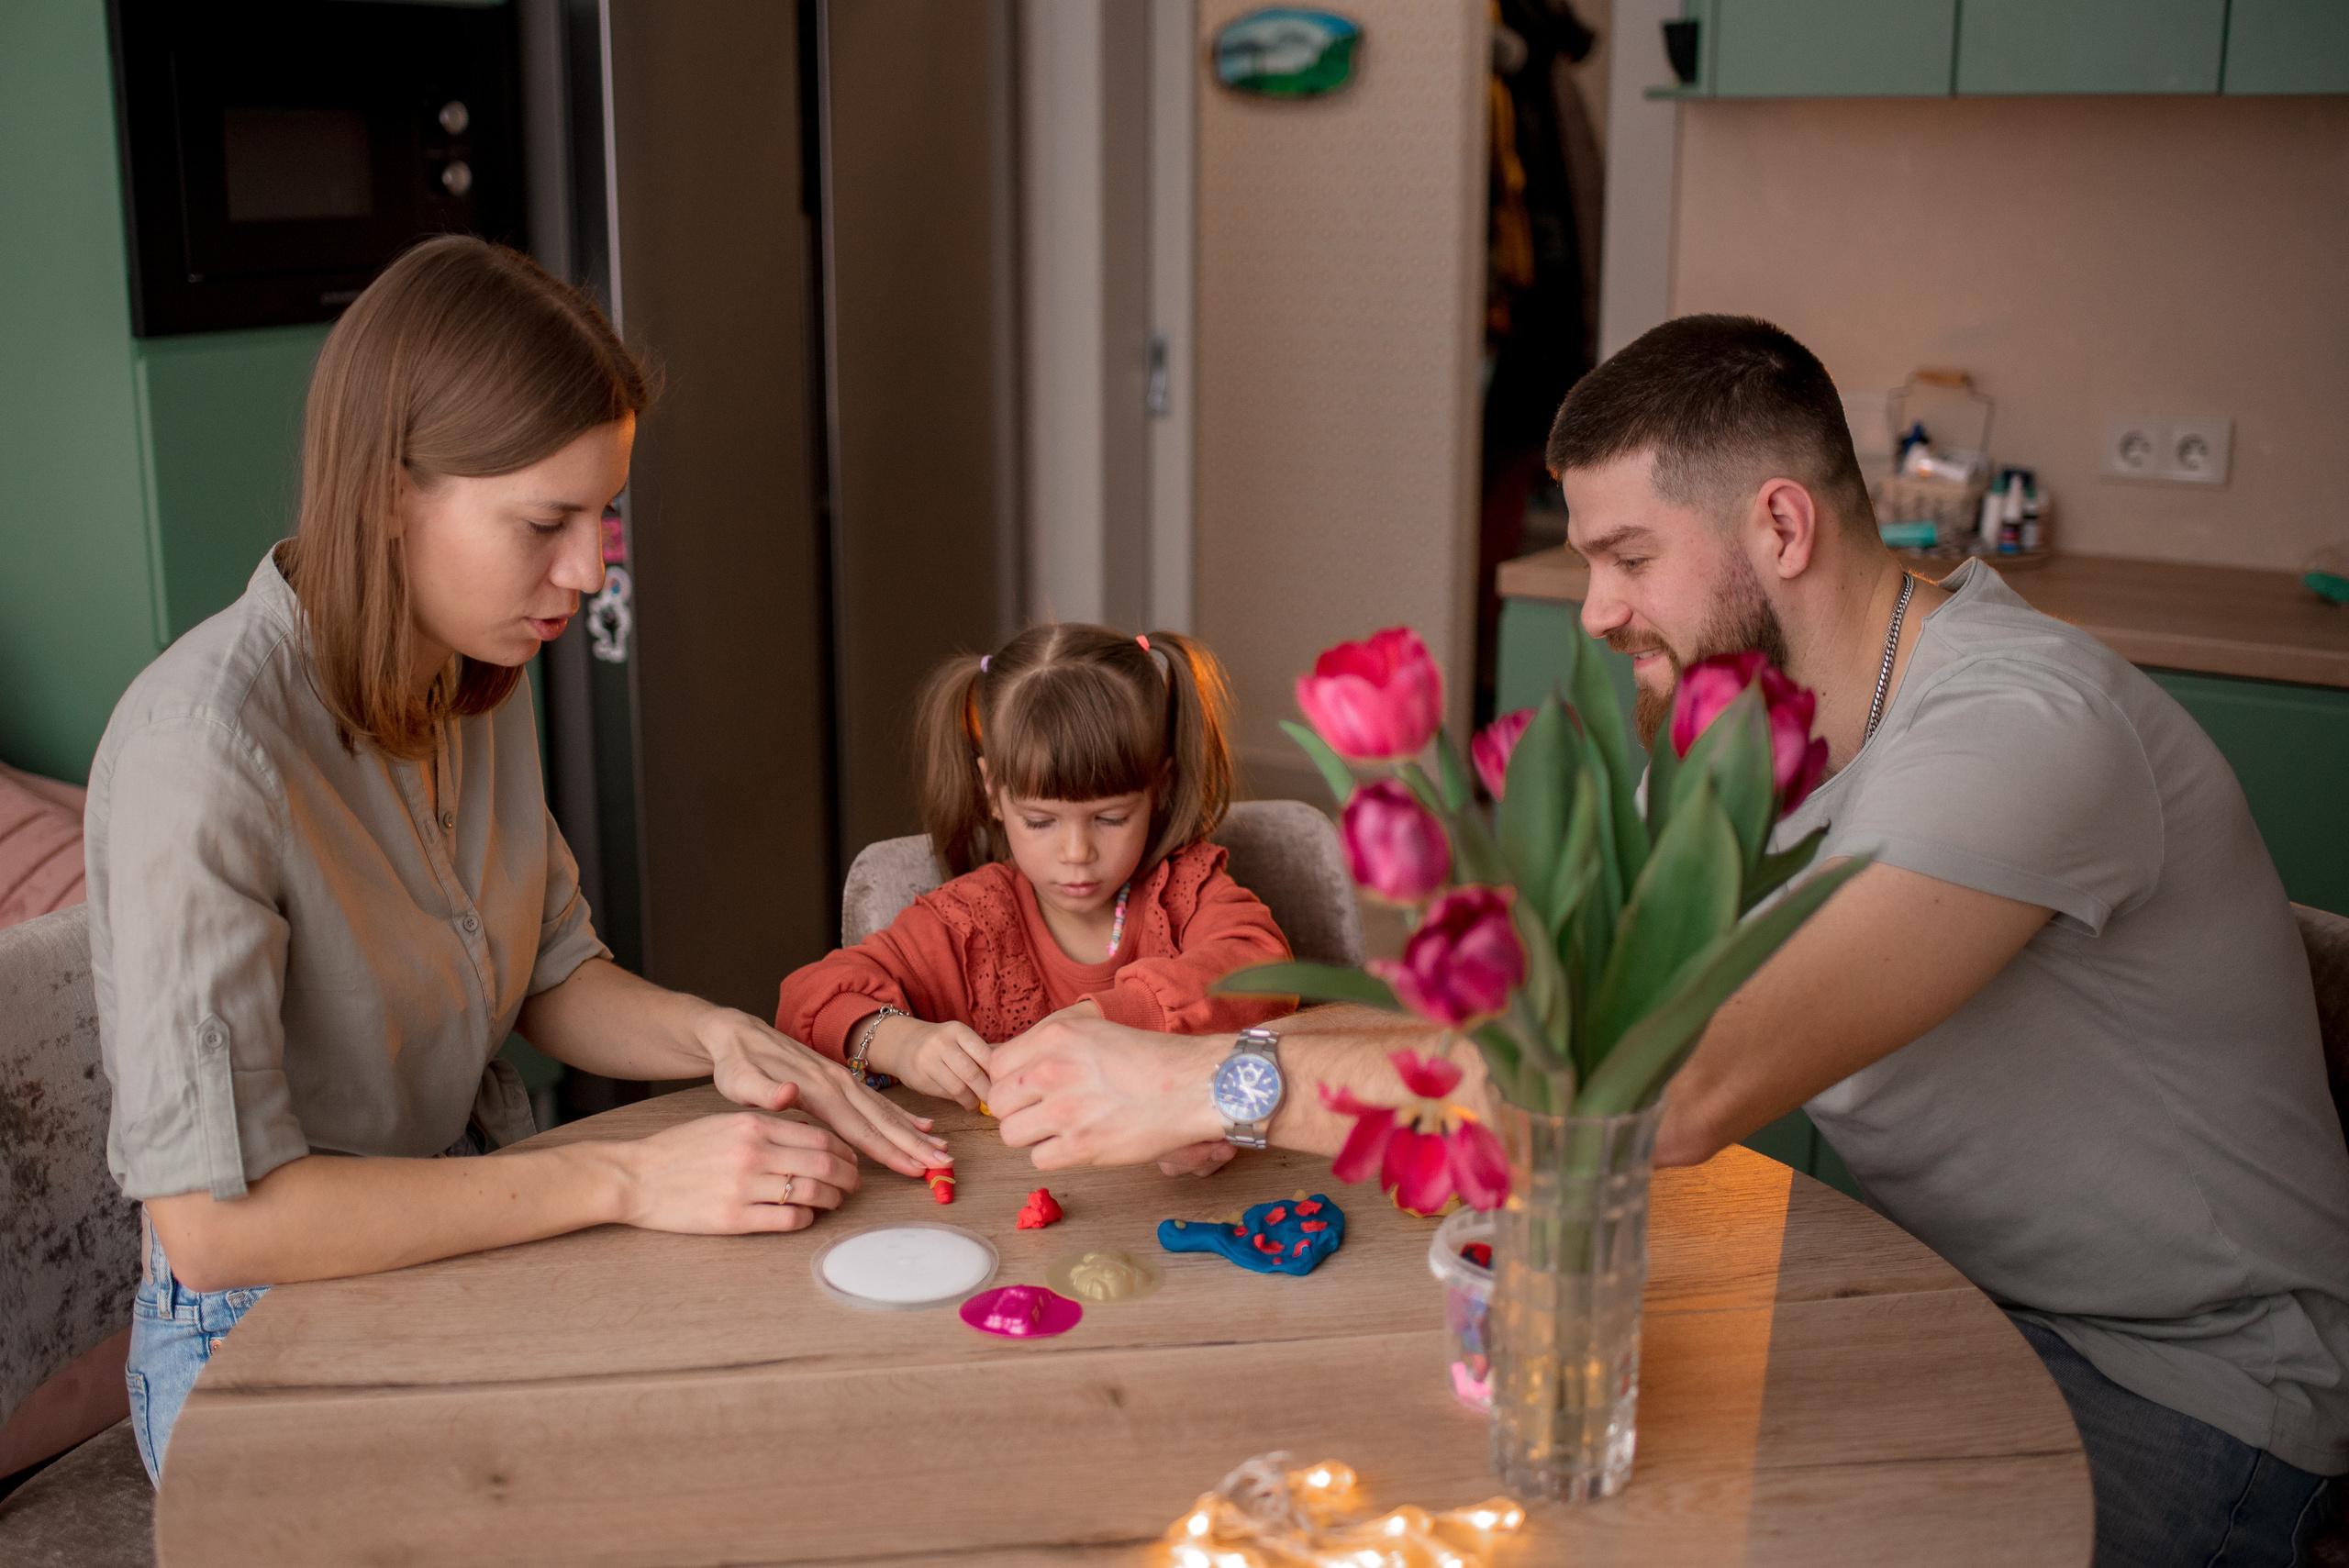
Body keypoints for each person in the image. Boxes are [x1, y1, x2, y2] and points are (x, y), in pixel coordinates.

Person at [988, 315, 2349, 1565]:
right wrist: (1230, 1065)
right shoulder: (1722, 742)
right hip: (1956, 1306)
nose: (1593, 610)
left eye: (1628, 558)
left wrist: (1212, 1082)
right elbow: (1528, 1029)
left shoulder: (2021, 731)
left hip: (2197, 1390)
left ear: (1779, 524)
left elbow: (1653, 1089)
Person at [87, 237, 949, 1484]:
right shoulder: (201, 752)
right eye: (546, 522)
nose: (588, 571)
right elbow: (220, 1227)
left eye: (603, 517)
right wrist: (627, 1176)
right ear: (389, 492)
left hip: (467, 1231)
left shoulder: (472, 673)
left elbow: (547, 970)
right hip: (261, 1332)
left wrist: (718, 1039)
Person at [774, 624, 1295, 1108]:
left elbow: (1264, 973)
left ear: (1158, 789)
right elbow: (809, 1000)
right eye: (1041, 821)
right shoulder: (967, 922)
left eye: (1111, 818)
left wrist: (1103, 1019)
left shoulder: (1183, 890)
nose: (1076, 852)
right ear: (993, 792)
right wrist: (903, 1043)